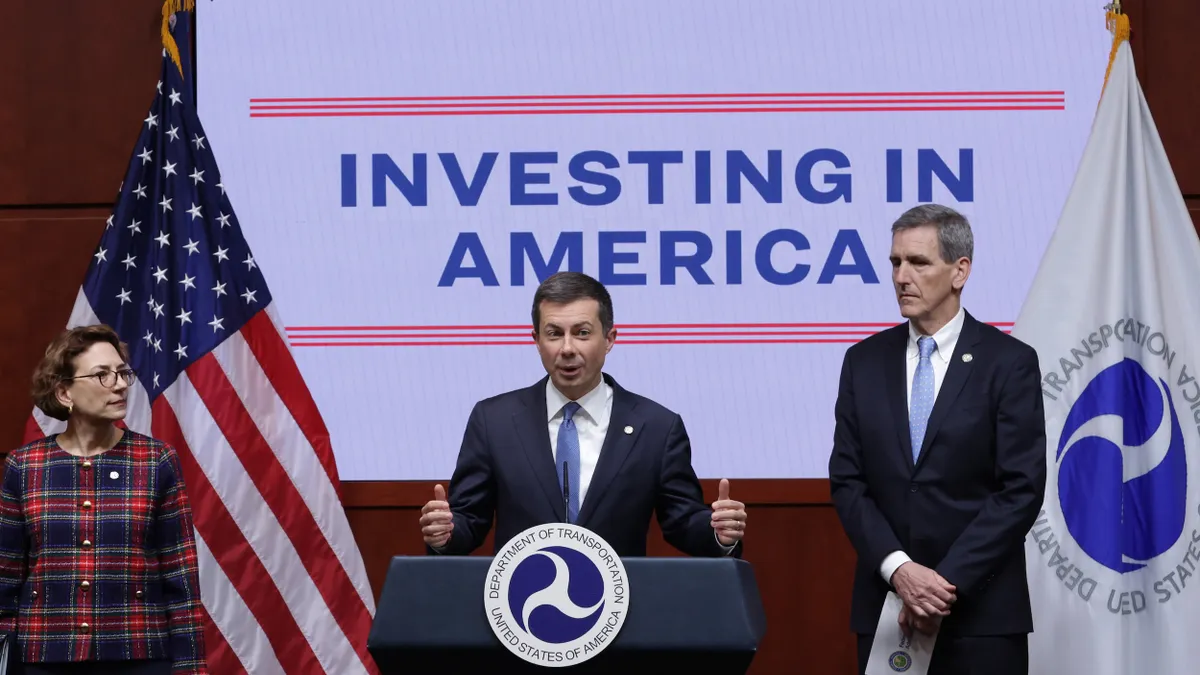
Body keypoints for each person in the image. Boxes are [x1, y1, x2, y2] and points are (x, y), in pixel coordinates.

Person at [828, 204, 1046, 675]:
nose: (902, 276)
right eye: (895, 262)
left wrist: (942, 583)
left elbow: (1020, 490)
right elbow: (847, 481)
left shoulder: (1008, 363)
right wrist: (900, 570)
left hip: (982, 616)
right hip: (887, 608)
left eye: (918, 262)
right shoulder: (862, 362)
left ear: (959, 271)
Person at [419, 271, 747, 557]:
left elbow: (682, 521)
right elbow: (468, 521)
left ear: (609, 339)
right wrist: (445, 533)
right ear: (536, 341)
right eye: (553, 333)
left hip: (618, 613)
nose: (567, 348)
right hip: (519, 609)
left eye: (582, 332)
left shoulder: (657, 426)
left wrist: (718, 533)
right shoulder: (494, 421)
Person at [0, 325, 207, 675]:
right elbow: (4, 580)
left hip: (139, 656)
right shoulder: (25, 466)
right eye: (102, 375)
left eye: (122, 372)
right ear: (64, 392)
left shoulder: (156, 460)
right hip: (43, 658)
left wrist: (190, 667)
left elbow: (181, 582)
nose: (121, 384)